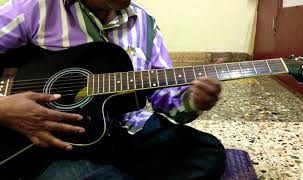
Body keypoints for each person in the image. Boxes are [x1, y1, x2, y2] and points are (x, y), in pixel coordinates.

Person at [0, 0, 226, 179]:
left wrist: (193, 100)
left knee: (207, 153)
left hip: (127, 129)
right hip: (59, 141)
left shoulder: (144, 22)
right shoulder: (32, 8)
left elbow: (163, 95)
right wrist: (4, 108)